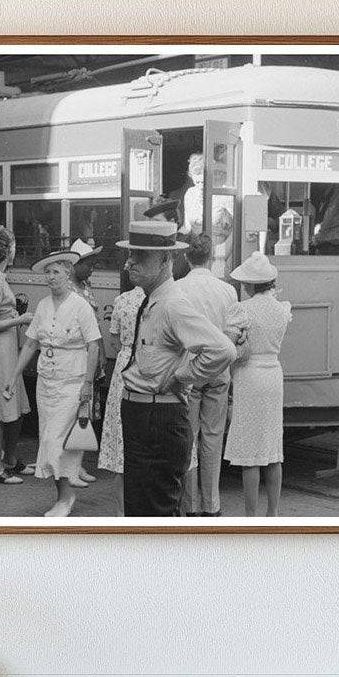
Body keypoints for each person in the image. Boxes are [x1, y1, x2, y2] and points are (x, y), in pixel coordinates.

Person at [118, 220, 238, 517]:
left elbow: (223, 350)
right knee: (140, 510)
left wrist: (180, 378)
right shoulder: (154, 300)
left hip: (158, 417)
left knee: (156, 512)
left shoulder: (172, 304)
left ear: (165, 260)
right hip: (143, 413)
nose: (129, 263)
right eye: (131, 254)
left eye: (140, 256)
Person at [5, 250, 101, 517]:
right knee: (50, 439)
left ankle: (65, 498)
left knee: (54, 439)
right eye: (47, 272)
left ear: (67, 273)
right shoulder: (44, 305)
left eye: (55, 272)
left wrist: (88, 384)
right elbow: (31, 343)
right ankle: (63, 496)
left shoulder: (80, 305)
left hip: (72, 382)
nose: (50, 277)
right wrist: (13, 377)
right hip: (46, 383)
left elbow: (93, 346)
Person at [223, 251, 292, 517]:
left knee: (250, 453)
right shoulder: (282, 308)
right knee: (273, 448)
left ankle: (250, 515)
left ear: (251, 284)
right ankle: (273, 512)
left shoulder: (243, 310)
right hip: (274, 373)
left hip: (249, 375)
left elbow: (228, 344)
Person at [173, 233, 237, 516]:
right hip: (219, 370)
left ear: (186, 257)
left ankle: (190, 505)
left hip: (188, 369)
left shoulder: (177, 289)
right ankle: (212, 505)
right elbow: (233, 332)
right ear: (212, 257)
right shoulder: (227, 291)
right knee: (213, 436)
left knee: (189, 437)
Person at [0, 228, 34, 483]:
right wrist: (19, 319)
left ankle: (9, 460)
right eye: (13, 246)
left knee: (14, 405)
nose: (15, 251)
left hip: (7, 348)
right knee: (1, 407)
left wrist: (14, 319)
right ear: (6, 250)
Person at [97, 281, 145, 479]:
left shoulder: (121, 300)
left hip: (124, 362)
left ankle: (120, 462)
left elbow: (113, 340)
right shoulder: (161, 299)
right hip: (148, 360)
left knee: (120, 417)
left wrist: (126, 351)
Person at [69, 238, 104, 484]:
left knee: (85, 413)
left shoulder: (84, 286)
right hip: (77, 359)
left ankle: (77, 464)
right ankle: (71, 467)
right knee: (75, 412)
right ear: (75, 265)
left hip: (90, 357)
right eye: (88, 263)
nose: (92, 268)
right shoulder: (70, 291)